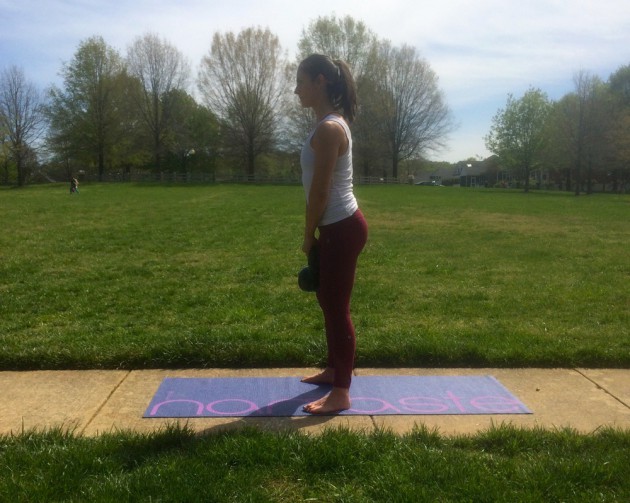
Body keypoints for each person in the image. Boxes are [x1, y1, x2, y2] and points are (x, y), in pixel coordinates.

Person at [294, 54, 368, 414]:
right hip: (335, 226)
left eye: (301, 82)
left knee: (337, 308)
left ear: (320, 81)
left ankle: (341, 391)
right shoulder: (326, 124)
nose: (296, 90)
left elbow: (320, 193)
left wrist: (308, 236)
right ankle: (333, 369)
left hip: (341, 226)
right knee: (328, 301)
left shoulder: (329, 129)